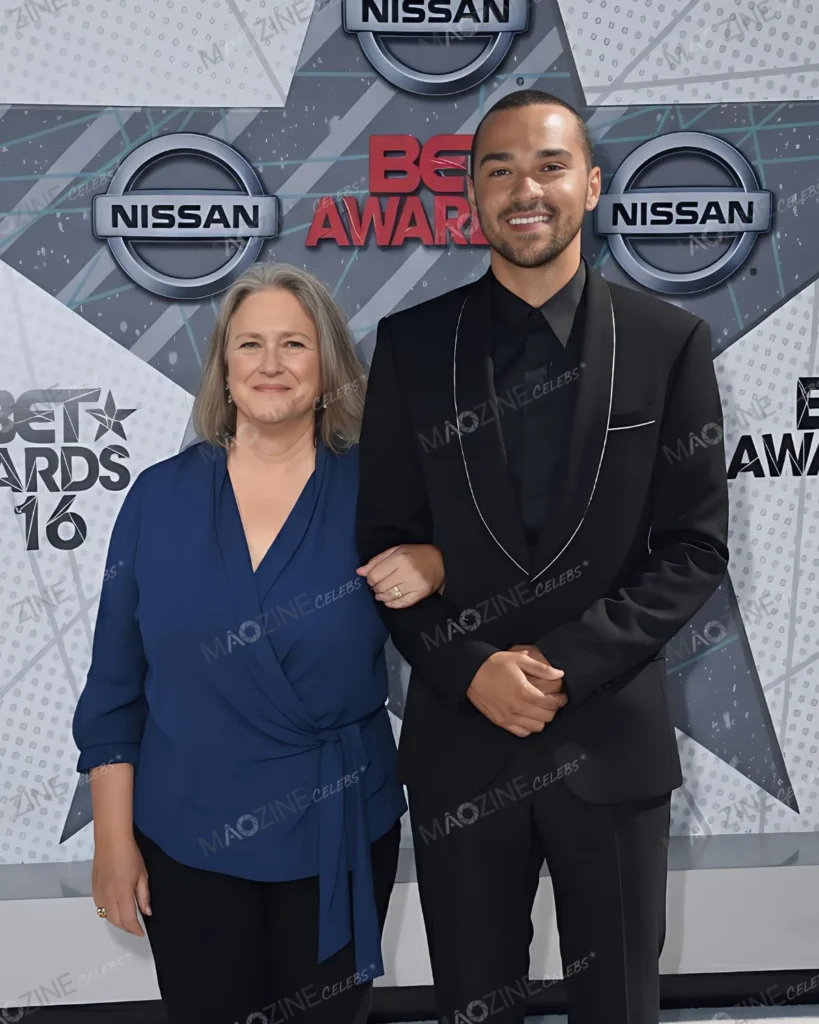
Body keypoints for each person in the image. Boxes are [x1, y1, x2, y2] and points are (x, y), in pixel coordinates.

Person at [356, 90, 730, 1024]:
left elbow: (692, 548)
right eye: (500, 169)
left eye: (549, 165)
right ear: (472, 193)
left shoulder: (668, 342)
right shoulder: (410, 347)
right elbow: (382, 546)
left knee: (619, 1005)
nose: (525, 189)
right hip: (459, 748)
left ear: (592, 185)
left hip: (609, 743)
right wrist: (468, 670)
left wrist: (560, 665)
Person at [72, 262, 447, 1024]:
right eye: (249, 344)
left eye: (293, 344)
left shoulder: (383, 493)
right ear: (223, 367)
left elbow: (478, 592)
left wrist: (439, 563)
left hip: (338, 828)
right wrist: (111, 839)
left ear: (328, 365)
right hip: (185, 836)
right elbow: (113, 688)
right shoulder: (157, 499)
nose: (270, 363)